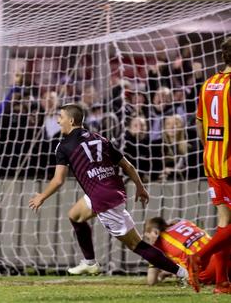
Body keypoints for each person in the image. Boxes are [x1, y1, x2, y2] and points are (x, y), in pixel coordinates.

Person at [28, 104, 190, 285]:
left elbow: (58, 180)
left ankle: (183, 273)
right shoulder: (100, 138)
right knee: (74, 216)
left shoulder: (64, 145)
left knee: (137, 245)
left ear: (71, 120)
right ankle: (89, 262)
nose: (58, 120)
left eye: (61, 117)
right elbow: (127, 166)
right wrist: (139, 186)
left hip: (103, 198)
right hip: (110, 189)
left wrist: (41, 196)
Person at [190, 37, 231, 294]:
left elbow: (199, 123)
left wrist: (210, 148)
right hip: (230, 162)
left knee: (225, 222)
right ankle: (198, 257)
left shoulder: (209, 83)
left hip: (211, 159)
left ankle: (222, 283)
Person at [144, 217, 230, 287]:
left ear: (154, 232)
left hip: (211, 270)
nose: (148, 241)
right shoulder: (185, 223)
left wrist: (159, 277)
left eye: (147, 237)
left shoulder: (157, 245)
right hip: (224, 256)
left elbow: (151, 281)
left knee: (193, 276)